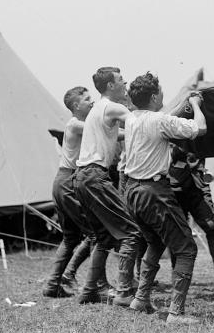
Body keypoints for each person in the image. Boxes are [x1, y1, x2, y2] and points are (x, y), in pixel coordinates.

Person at [120, 72, 207, 325]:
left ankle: (140, 299)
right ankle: (176, 314)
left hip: (132, 191)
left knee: (155, 243)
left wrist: (185, 103)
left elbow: (165, 115)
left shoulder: (132, 118)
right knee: (187, 249)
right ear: (155, 95)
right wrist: (197, 106)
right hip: (154, 192)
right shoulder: (159, 120)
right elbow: (199, 128)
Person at [72, 67, 142, 306]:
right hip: (95, 176)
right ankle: (124, 292)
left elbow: (120, 134)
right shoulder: (113, 107)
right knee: (131, 233)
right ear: (111, 86)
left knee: (103, 238)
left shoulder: (98, 110)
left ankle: (90, 290)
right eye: (121, 80)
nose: (125, 84)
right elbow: (143, 123)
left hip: (82, 177)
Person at [42, 86, 94, 298]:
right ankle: (72, 276)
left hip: (63, 181)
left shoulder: (80, 124)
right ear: (76, 106)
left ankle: (52, 285)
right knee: (96, 233)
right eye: (87, 99)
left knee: (71, 238)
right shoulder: (75, 124)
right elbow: (101, 129)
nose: (92, 102)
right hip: (68, 181)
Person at [168, 145, 214, 288]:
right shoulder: (171, 129)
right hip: (176, 188)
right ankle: (176, 272)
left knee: (211, 226)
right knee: (176, 232)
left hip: (198, 187)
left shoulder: (199, 133)